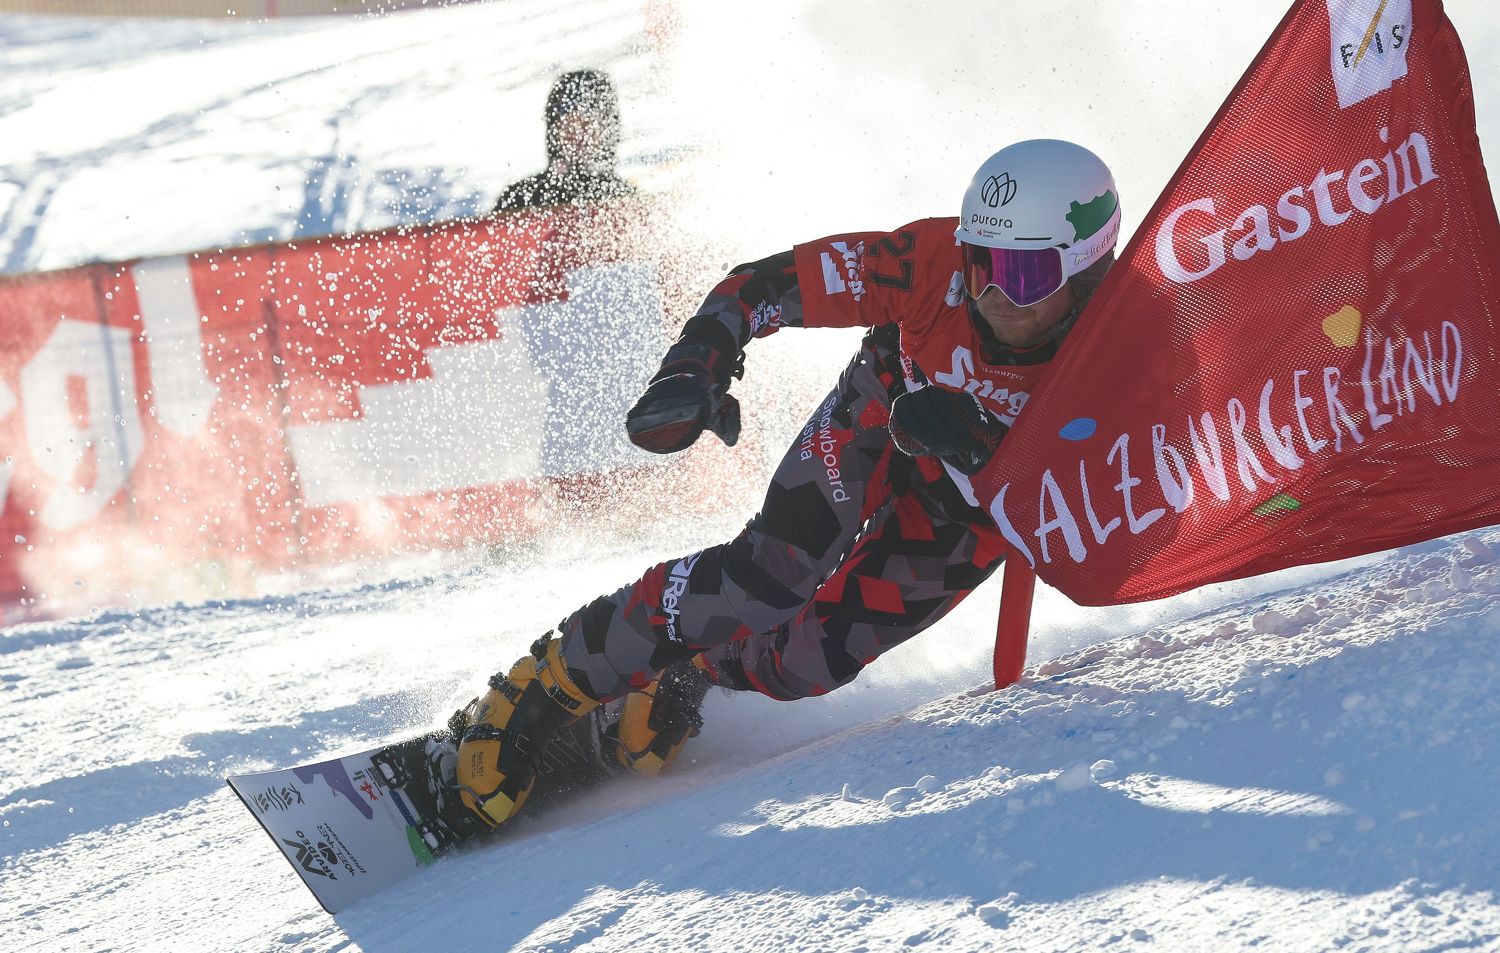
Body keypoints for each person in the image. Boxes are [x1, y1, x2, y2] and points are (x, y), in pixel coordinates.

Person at [450, 140, 1122, 832]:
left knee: (808, 661)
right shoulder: (930, 263)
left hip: (972, 507)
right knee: (770, 575)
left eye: (1024, 274)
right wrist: (698, 361)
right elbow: (763, 286)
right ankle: (554, 678)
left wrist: (985, 445)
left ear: (1088, 270)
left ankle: (692, 664)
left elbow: (1108, 518)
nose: (992, 294)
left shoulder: (1123, 350)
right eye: (981, 263)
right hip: (883, 406)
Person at [493, 69, 636, 213]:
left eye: (586, 125)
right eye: (568, 125)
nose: (577, 135)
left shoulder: (626, 201)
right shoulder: (520, 198)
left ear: (606, 131)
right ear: (554, 132)